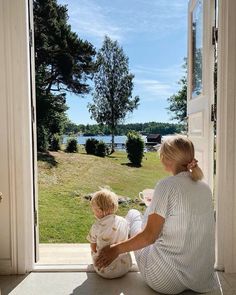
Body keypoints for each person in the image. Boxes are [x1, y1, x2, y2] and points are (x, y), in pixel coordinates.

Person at [96, 136, 220, 293]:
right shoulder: (205, 188)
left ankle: (119, 258)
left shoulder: (166, 186)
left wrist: (114, 250)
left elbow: (149, 237)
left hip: (165, 280)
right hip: (201, 278)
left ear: (166, 158)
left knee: (134, 214)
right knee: (154, 219)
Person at [87, 188, 132, 279]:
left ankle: (97, 264)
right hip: (125, 266)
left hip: (104, 271)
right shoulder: (124, 221)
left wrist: (95, 252)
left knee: (94, 250)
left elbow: (93, 247)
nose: (93, 213)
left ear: (99, 211)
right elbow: (128, 237)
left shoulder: (97, 226)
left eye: (94, 210)